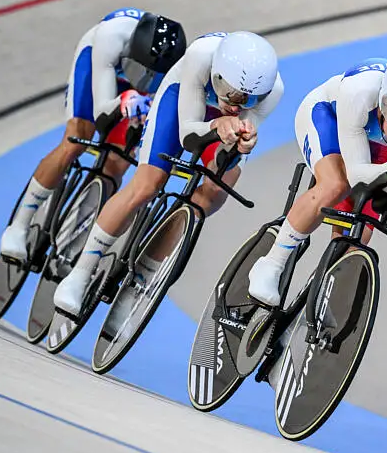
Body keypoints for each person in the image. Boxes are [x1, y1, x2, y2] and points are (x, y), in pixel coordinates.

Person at [53, 30, 284, 320]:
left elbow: (239, 139)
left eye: (249, 100)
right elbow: (188, 134)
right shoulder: (201, 56)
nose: (238, 105)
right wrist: (217, 125)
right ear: (219, 76)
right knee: (146, 186)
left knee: (214, 192)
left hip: (220, 123)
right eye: (235, 96)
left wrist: (245, 139)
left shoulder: (273, 91)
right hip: (181, 101)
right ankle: (80, 272)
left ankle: (147, 272)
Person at [247, 56, 387, 308]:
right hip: (330, 117)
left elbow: (384, 193)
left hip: (371, 141)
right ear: (383, 99)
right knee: (336, 184)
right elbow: (356, 175)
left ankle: (316, 301)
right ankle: (271, 263)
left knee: (357, 236)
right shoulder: (360, 92)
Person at [0, 8, 187, 262]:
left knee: (119, 160)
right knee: (76, 138)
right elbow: (102, 113)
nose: (142, 81)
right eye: (139, 71)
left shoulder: (175, 68)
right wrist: (123, 99)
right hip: (100, 66)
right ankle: (18, 227)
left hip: (133, 84)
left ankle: (81, 234)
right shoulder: (112, 37)